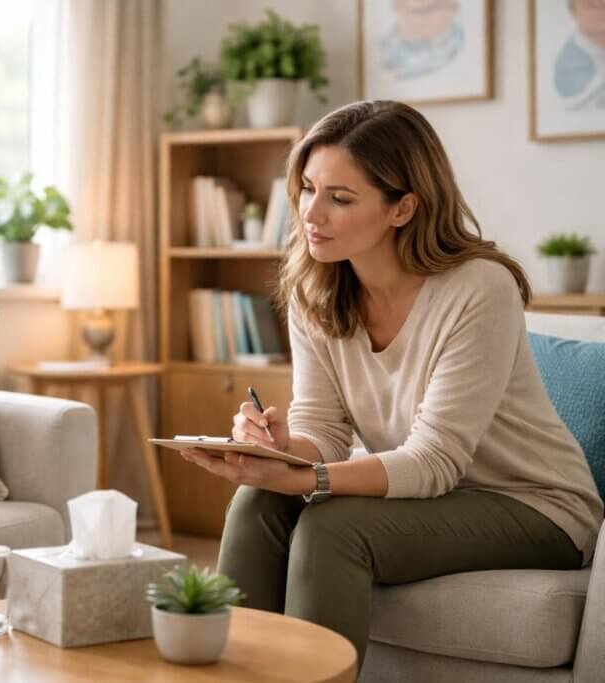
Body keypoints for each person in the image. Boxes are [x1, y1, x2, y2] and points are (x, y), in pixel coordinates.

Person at [179, 100, 603, 667]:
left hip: (533, 505)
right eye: (307, 188)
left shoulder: (479, 288)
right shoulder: (316, 287)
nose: (312, 213)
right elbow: (323, 429)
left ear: (403, 208)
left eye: (340, 198)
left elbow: (434, 462)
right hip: (431, 496)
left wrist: (305, 477)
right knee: (256, 502)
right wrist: (278, 450)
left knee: (334, 528)